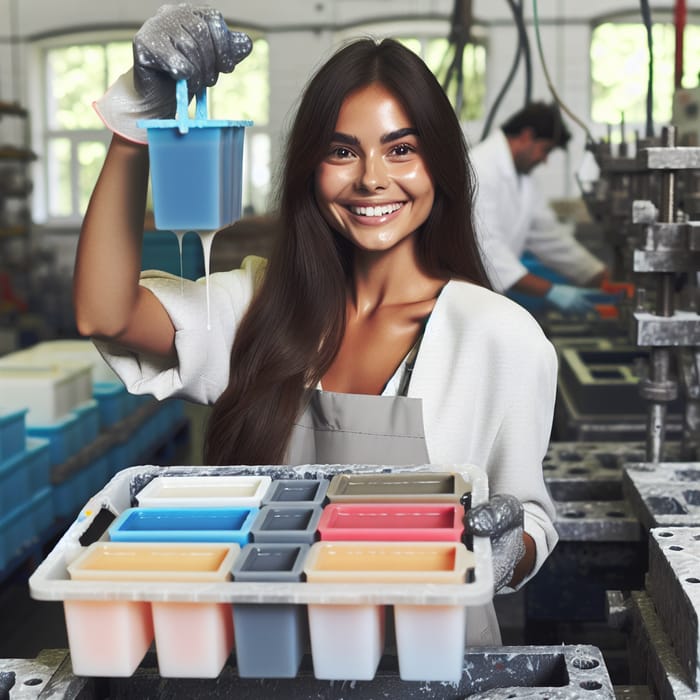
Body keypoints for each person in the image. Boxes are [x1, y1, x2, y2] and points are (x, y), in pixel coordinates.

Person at [73, 4, 559, 646]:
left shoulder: (499, 335)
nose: (372, 179)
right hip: (262, 660)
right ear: (311, 166)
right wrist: (136, 123)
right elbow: (103, 312)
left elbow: (530, 518)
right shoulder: (260, 302)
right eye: (342, 151)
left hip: (429, 668)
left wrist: (505, 553)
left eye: (402, 149)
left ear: (438, 163)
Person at [471, 102, 616, 315]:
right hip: (465, 300)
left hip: (484, 301)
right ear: (526, 136)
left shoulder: (524, 180)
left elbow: (549, 236)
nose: (545, 160)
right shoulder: (480, 169)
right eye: (545, 150)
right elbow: (489, 253)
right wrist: (551, 291)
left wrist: (596, 274)